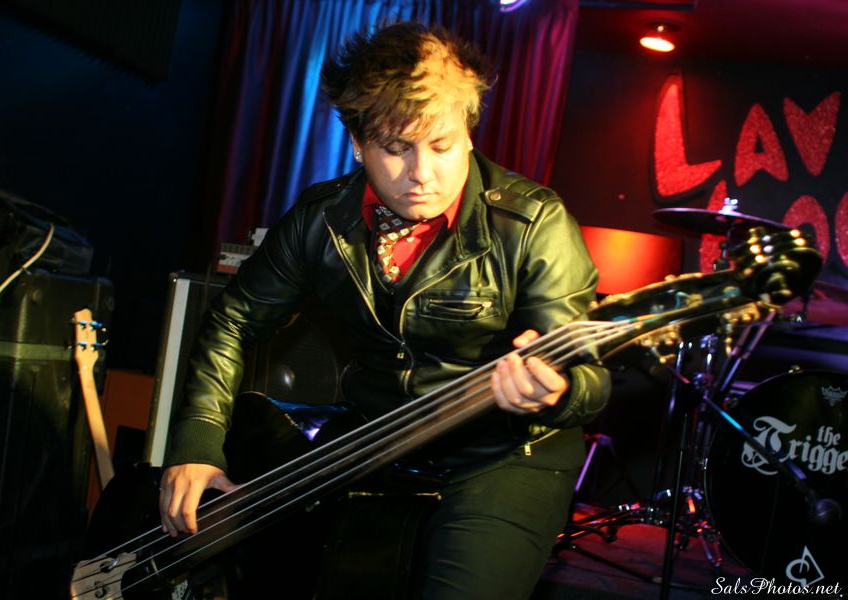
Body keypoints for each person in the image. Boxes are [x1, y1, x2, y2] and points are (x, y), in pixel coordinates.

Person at [159, 21, 611, 599]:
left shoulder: (534, 223)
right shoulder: (320, 218)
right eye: (397, 149)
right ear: (357, 143)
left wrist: (557, 391)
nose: (421, 174)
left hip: (505, 453)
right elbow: (234, 320)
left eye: (442, 146)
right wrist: (197, 442)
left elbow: (592, 381)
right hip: (374, 440)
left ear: (469, 135)